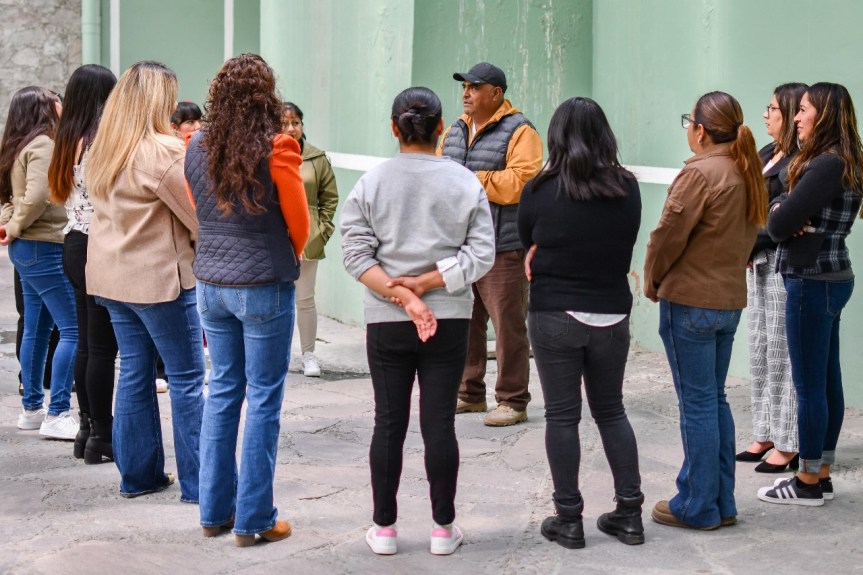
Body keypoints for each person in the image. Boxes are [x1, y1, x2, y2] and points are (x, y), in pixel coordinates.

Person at [341, 87, 494, 555]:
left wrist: (402, 295)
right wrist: (426, 285)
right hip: (449, 319)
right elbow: (481, 254)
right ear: (441, 127)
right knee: (439, 424)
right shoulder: (465, 182)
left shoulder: (371, 182)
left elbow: (355, 254)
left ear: (395, 127)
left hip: (385, 321)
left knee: (388, 422)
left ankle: (384, 529)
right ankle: (443, 529)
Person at [187, 54, 309, 547]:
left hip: (210, 283)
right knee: (262, 398)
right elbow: (299, 223)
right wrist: (283, 252)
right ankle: (255, 518)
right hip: (262, 283)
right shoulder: (279, 145)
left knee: (222, 392)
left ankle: (214, 512)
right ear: (266, 96)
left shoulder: (196, 145)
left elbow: (200, 210)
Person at [518, 97, 644, 548]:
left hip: (555, 312)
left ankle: (569, 519)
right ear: (604, 135)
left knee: (562, 415)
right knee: (611, 411)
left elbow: (527, 238)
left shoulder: (539, 189)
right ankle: (630, 514)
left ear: (555, 137)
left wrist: (544, 252)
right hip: (612, 312)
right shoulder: (627, 187)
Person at [644, 91, 767, 529]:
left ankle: (697, 505)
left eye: (689, 122)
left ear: (700, 129)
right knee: (713, 399)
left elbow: (667, 236)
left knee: (697, 404)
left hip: (691, 301)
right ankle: (720, 502)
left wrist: (652, 279)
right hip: (728, 301)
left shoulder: (700, 173)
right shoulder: (746, 170)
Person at [85, 61, 204, 501]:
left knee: (134, 373)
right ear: (157, 101)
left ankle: (138, 477)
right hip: (159, 279)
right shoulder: (163, 151)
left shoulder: (104, 147)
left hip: (113, 277)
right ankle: (199, 485)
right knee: (187, 378)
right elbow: (197, 215)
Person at [758, 83, 863, 506]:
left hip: (811, 279)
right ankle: (820, 471)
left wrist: (780, 213)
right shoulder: (845, 159)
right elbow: (782, 208)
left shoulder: (825, 165)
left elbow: (777, 226)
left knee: (809, 387)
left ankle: (806, 481)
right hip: (833, 276)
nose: (796, 117)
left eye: (803, 110)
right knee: (826, 380)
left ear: (824, 115)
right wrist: (782, 209)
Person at [439, 62, 542, 427]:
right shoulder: (455, 129)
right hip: (461, 245)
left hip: (503, 245)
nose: (466, 93)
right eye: (464, 87)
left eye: (474, 87)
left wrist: (469, 179)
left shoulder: (521, 130)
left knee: (508, 327)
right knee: (465, 322)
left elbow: (522, 183)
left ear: (496, 94)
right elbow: (440, 174)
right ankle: (470, 393)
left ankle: (513, 400)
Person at [47, 64, 118, 463]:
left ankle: (87, 430)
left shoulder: (66, 139)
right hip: (97, 243)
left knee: (88, 344)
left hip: (73, 241)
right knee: (101, 346)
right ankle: (101, 435)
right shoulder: (99, 142)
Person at [0, 86, 79, 440]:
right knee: (73, 329)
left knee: (37, 329)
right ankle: (58, 412)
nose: (61, 104)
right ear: (43, 109)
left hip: (28, 249)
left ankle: (32, 408)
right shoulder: (44, 144)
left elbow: (10, 197)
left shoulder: (18, 145)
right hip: (44, 246)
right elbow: (36, 197)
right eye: (55, 100)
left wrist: (10, 225)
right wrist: (15, 226)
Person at [737, 83, 808, 473]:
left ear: (792, 114)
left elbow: (785, 220)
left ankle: (789, 442)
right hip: (758, 261)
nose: (765, 115)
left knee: (783, 355)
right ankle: (765, 432)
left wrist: (750, 242)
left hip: (782, 263)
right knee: (761, 350)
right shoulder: (767, 152)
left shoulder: (802, 161)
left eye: (773, 109)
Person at [282, 101, 339, 377]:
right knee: (275, 300)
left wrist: (321, 232)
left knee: (305, 299)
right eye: (284, 123)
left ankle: (308, 355)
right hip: (274, 240)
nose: (291, 128)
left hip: (307, 240)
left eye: (295, 122)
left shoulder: (317, 158)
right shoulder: (266, 155)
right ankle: (277, 354)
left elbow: (330, 198)